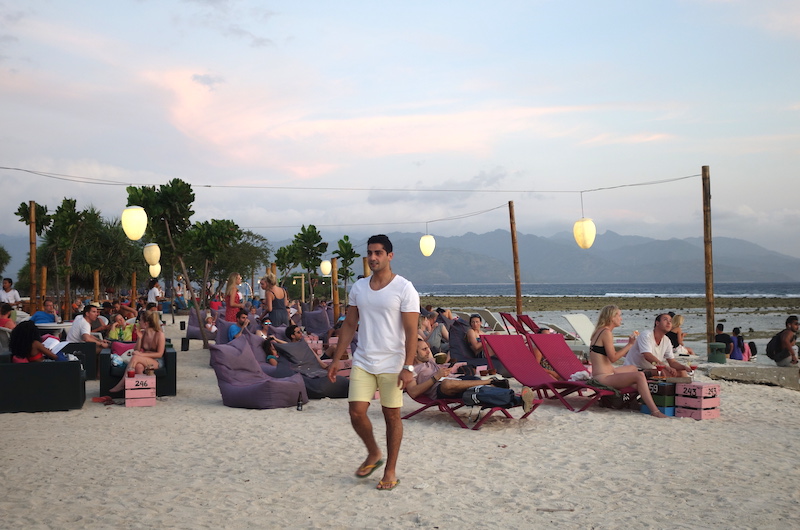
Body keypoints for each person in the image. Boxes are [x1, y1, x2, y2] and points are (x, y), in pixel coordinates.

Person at [326, 234, 419, 491]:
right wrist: (336, 359)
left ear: (390, 255)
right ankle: (374, 453)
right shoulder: (359, 288)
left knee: (392, 416)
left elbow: (412, 331)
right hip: (364, 359)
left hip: (393, 362)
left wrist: (408, 366)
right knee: (356, 412)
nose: (373, 257)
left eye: (378, 253)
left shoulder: (404, 288)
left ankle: (390, 469)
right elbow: (349, 325)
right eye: (370, 253)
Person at [589, 305, 666, 418]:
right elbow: (613, 358)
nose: (621, 318)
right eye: (619, 315)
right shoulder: (606, 333)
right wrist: (630, 344)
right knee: (639, 376)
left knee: (633, 368)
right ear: (612, 317)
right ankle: (655, 411)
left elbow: (605, 355)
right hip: (603, 378)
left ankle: (634, 399)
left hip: (608, 372)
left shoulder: (599, 331)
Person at [406, 338, 528, 402]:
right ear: (414, 354)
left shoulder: (430, 360)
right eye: (424, 349)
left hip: (457, 380)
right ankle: (491, 381)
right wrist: (435, 377)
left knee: (477, 391)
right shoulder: (411, 370)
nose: (428, 351)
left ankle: (518, 399)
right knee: (447, 384)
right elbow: (413, 392)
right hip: (442, 389)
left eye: (428, 348)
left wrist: (446, 369)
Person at [108, 311, 166, 393]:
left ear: (146, 323)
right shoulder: (143, 333)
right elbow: (136, 350)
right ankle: (141, 392)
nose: (138, 322)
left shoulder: (159, 334)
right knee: (138, 367)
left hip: (156, 360)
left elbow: (160, 354)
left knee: (135, 357)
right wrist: (139, 338)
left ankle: (121, 384)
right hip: (144, 359)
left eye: (141, 320)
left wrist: (142, 354)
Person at [623, 313, 689, 377]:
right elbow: (647, 356)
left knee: (682, 372)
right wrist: (665, 367)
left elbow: (672, 362)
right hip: (635, 369)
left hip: (651, 369)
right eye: (665, 320)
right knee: (665, 373)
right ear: (657, 323)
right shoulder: (646, 335)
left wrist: (684, 367)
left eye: (670, 321)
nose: (669, 323)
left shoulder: (667, 340)